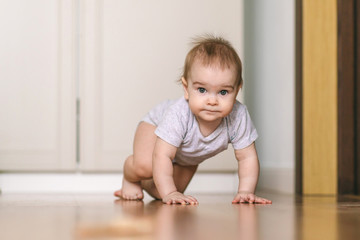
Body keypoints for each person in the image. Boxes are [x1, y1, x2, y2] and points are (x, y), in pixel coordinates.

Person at [114, 35, 272, 205]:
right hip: (155, 127)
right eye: (202, 90)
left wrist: (245, 192)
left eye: (223, 92)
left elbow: (247, 157)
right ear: (186, 89)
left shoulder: (238, 116)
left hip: (188, 156)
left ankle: (148, 183)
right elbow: (162, 154)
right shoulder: (178, 114)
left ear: (237, 89)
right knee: (146, 167)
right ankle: (130, 177)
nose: (212, 101)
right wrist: (170, 193)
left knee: (162, 192)